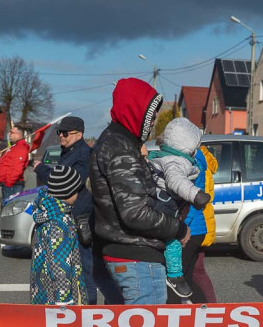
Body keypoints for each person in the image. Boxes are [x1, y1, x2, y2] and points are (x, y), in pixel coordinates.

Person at [91, 78, 189, 305]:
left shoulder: (119, 142)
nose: (154, 120)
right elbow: (135, 213)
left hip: (129, 252)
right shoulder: (120, 148)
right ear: (135, 109)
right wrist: (178, 228)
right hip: (136, 256)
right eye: (151, 113)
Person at [34, 116, 103, 304]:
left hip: (79, 216)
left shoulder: (82, 154)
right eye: (59, 132)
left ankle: (88, 308)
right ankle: (71, 305)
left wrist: (41, 168)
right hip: (68, 214)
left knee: (84, 267)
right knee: (67, 267)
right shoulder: (68, 151)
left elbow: (66, 183)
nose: (61, 136)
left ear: (79, 134)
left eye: (65, 133)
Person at [147, 118, 211, 300]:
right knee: (191, 278)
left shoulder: (184, 162)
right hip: (188, 223)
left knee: (179, 278)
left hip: (188, 224)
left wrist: (181, 228)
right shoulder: (180, 160)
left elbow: (181, 186)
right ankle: (199, 316)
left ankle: (198, 314)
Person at [30, 165, 87, 306]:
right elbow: (60, 265)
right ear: (69, 192)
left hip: (43, 291)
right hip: (60, 299)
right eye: (76, 191)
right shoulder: (60, 222)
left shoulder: (47, 213)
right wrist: (65, 303)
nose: (78, 195)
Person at [191, 144, 218, 303]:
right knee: (197, 269)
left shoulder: (195, 161)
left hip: (196, 220)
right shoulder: (204, 156)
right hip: (203, 218)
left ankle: (209, 309)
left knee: (195, 271)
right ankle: (210, 308)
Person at [0, 122, 30, 200]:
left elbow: (17, 168)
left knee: (10, 209)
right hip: (8, 184)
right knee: (6, 208)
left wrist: (8, 183)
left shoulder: (21, 148)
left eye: (12, 132)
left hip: (13, 184)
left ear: (18, 135)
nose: (9, 134)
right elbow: (8, 163)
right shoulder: (14, 147)